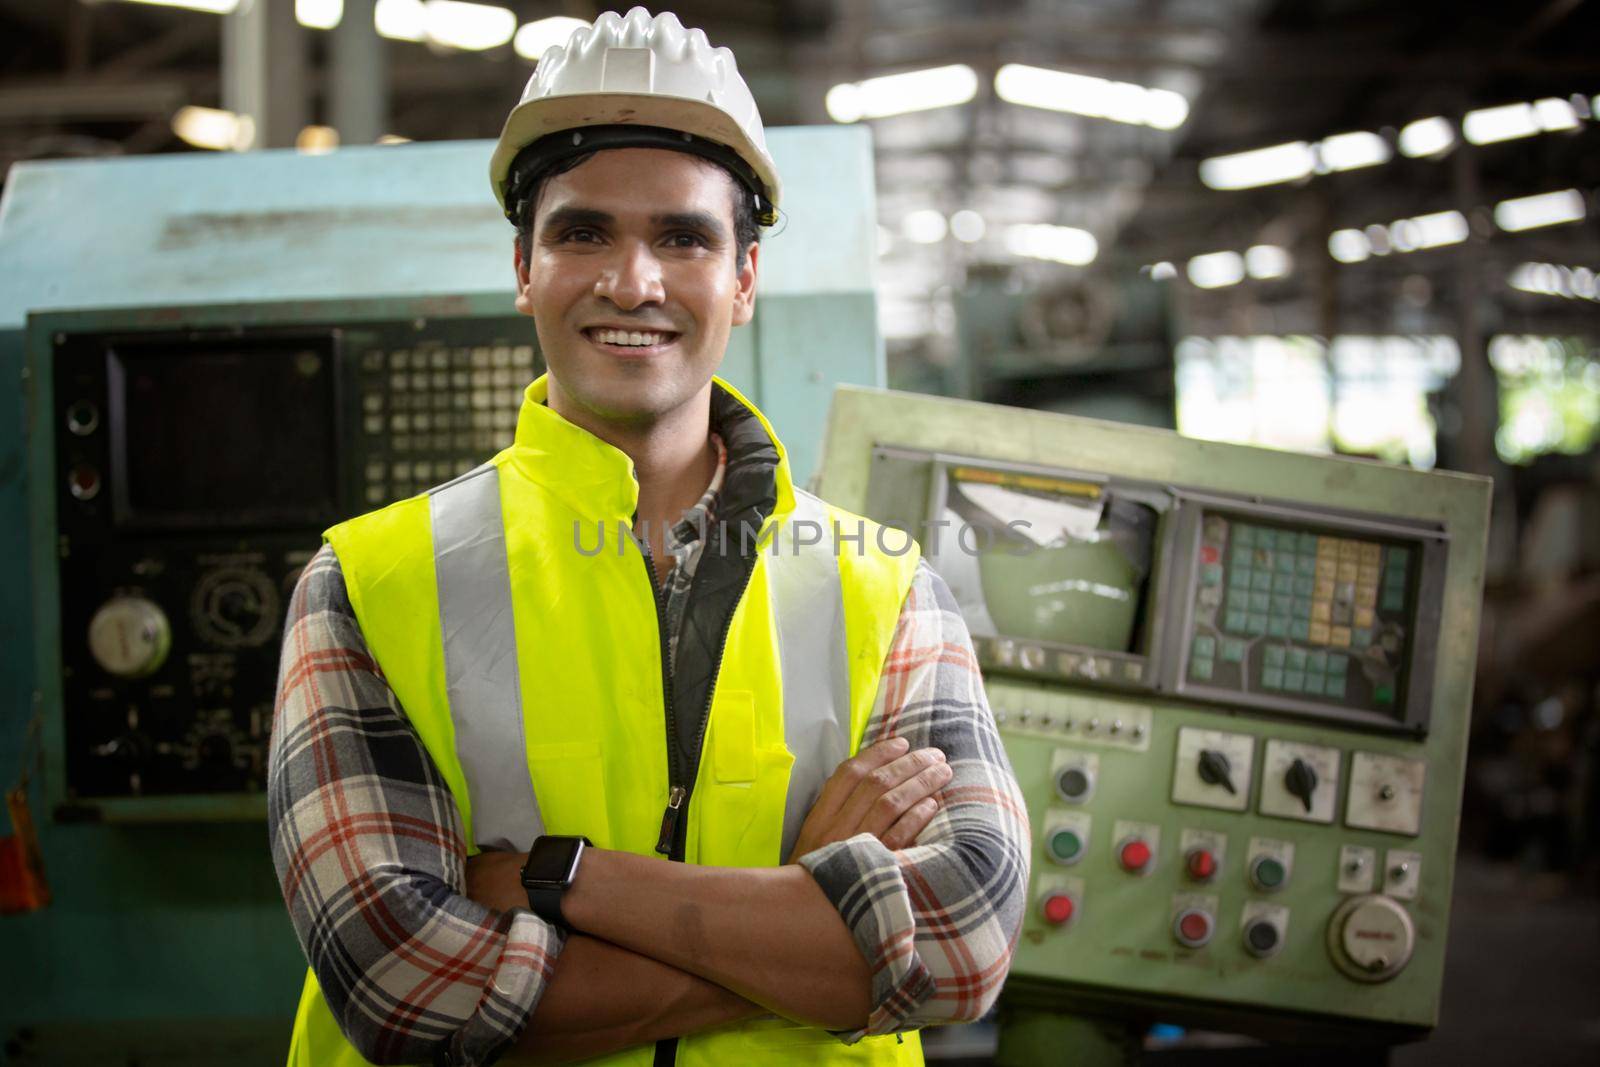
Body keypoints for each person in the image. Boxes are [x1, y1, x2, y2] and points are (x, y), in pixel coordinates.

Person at [267, 8, 1029, 1066]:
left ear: (744, 280)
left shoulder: (886, 589)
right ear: (524, 266)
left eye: (683, 235)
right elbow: (403, 990)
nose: (634, 282)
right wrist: (803, 914)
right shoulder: (370, 582)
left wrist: (564, 880)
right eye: (583, 232)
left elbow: (962, 941)